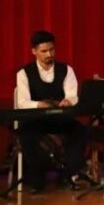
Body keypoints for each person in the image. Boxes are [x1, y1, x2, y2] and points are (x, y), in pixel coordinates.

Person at [14, 30, 89, 192]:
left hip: (60, 119)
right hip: (36, 120)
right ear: (34, 51)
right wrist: (39, 105)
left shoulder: (66, 70)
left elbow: (73, 95)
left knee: (80, 131)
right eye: (44, 51)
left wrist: (69, 100)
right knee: (27, 135)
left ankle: (68, 174)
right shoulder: (24, 73)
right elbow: (22, 102)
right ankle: (37, 179)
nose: (49, 54)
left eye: (52, 50)